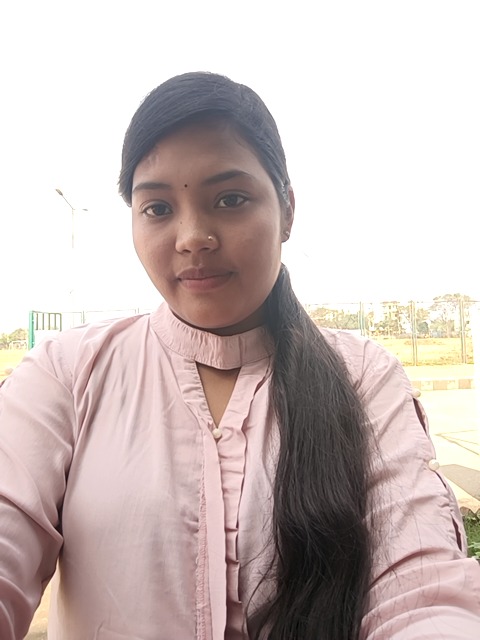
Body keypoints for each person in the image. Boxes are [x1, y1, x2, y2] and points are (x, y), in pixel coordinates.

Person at [0, 72, 479, 640]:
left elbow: (421, 591)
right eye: (157, 208)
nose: (192, 237)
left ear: (287, 209)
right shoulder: (66, 373)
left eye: (230, 199)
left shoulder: (364, 379)